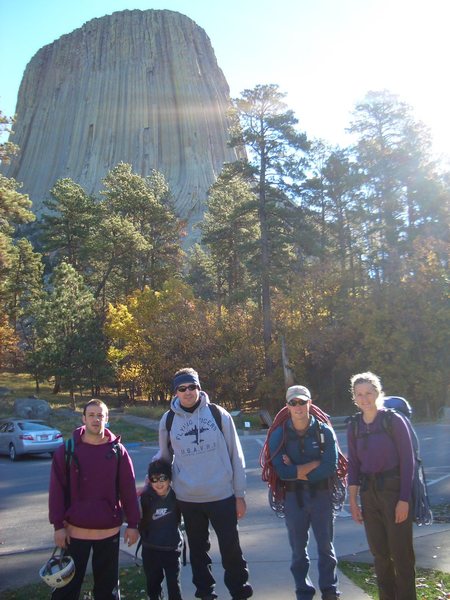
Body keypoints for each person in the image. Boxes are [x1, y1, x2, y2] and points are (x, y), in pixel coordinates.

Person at [157, 367, 253, 600]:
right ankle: (205, 593)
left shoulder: (218, 414)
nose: (188, 392)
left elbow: (236, 456)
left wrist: (239, 494)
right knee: (199, 552)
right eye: (182, 388)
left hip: (222, 495)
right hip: (188, 499)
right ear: (176, 392)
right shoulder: (168, 420)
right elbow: (164, 458)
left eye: (192, 387)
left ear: (199, 388)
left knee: (231, 549)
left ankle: (239, 591)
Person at [48, 399, 140, 600]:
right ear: (83, 419)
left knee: (107, 591)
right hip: (73, 532)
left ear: (107, 419)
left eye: (100, 415)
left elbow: (128, 490)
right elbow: (56, 491)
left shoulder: (118, 451)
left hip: (109, 532)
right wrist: (58, 526)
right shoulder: (67, 451)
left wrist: (133, 524)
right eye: (91, 415)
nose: (96, 419)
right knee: (66, 589)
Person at [347, 372, 416, 600]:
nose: (365, 398)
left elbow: (408, 462)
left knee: (402, 554)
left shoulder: (393, 420)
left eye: (369, 393)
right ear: (354, 398)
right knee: (380, 555)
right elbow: (354, 467)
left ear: (378, 393)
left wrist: (404, 499)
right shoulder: (354, 426)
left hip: (394, 492)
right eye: (359, 394)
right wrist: (353, 502)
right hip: (369, 494)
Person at [268, 384, 340, 600]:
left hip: (321, 496)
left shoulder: (324, 431)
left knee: (326, 547)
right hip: (293, 498)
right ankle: (303, 591)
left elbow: (330, 467)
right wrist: (312, 464)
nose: (298, 406)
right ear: (287, 406)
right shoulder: (278, 435)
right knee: (299, 550)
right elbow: (281, 471)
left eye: (302, 402)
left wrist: (296, 470)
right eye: (293, 402)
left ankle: (330, 590)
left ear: (310, 403)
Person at [139, 459, 183, 600]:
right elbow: (132, 516)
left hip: (171, 549)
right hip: (150, 548)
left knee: (173, 586)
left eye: (162, 478)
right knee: (153, 586)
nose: (159, 483)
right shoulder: (145, 497)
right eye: (154, 479)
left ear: (170, 479)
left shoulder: (177, 496)